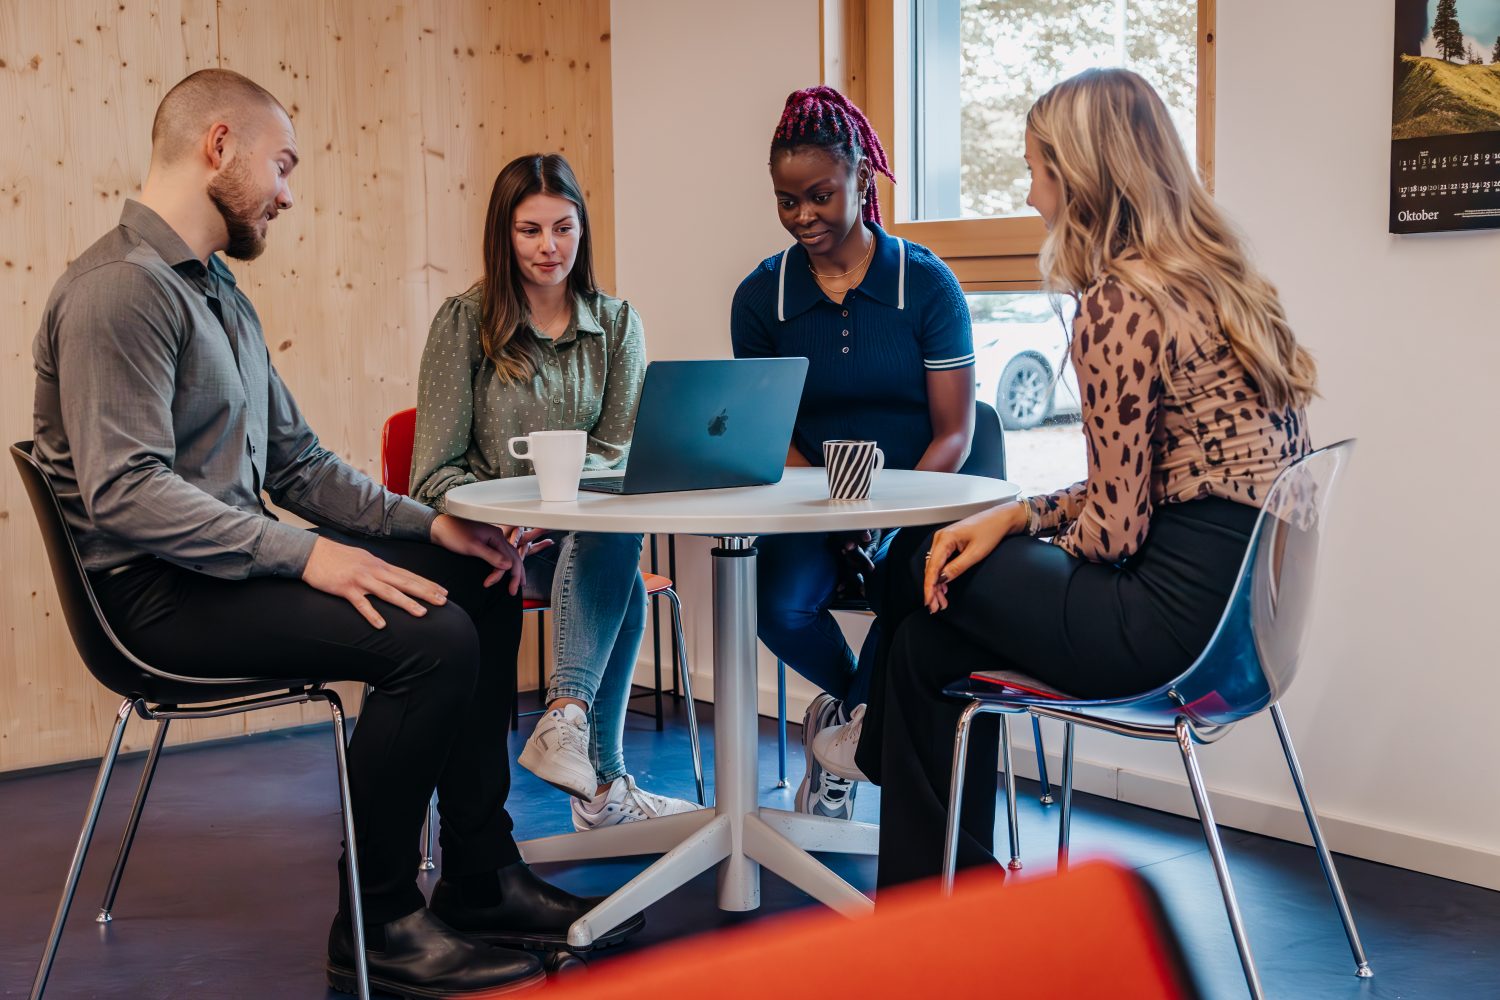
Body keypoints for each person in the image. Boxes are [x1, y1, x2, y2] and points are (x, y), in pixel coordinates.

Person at [31, 69, 643, 999]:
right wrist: (310, 553)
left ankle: (480, 875)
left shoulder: (217, 292)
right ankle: (383, 919)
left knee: (468, 578)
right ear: (217, 145)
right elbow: (128, 496)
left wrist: (440, 524)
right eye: (280, 165)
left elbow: (301, 465)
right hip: (153, 598)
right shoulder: (122, 292)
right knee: (428, 644)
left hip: (217, 568)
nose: (287, 190)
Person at [854, 68, 1317, 889]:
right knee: (927, 647)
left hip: (1162, 630)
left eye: (1036, 171)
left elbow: (1114, 533)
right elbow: (1162, 492)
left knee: (912, 560)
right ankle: (942, 894)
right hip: (1244, 625)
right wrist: (1019, 516)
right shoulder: (1224, 285)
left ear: (1081, 178)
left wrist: (1019, 523)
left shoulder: (1120, 302)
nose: (1030, 195)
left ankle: (863, 744)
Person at [411, 153, 699, 830]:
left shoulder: (617, 324)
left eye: (563, 228)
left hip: (588, 532)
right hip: (498, 543)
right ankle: (605, 788)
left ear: (583, 230)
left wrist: (565, 510)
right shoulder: (466, 322)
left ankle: (565, 718)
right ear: (502, 237)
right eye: (530, 230)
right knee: (621, 570)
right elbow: (433, 472)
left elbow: (619, 453)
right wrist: (505, 516)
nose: (549, 247)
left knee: (611, 531)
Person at [730, 86, 976, 820]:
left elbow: (955, 434)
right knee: (776, 606)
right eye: (786, 201)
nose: (803, 216)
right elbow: (770, 430)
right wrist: (833, 509)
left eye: (820, 196)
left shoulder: (926, 284)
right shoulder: (760, 298)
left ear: (861, 180)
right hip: (813, 498)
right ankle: (851, 721)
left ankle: (848, 741)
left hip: (916, 498)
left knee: (910, 588)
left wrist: (889, 514)